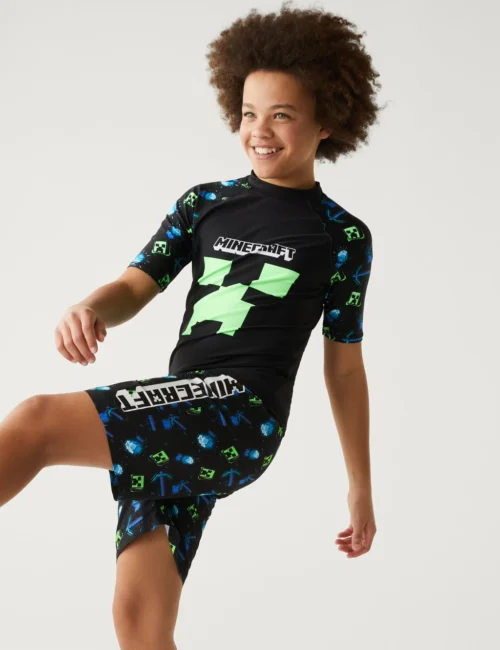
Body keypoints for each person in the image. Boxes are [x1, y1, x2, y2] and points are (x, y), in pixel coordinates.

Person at [0, 2, 383, 648]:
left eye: (282, 115)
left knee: (37, 421)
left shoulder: (341, 236)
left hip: (241, 414)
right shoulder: (205, 204)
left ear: (327, 122)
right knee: (139, 622)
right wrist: (90, 307)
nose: (260, 131)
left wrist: (360, 489)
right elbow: (133, 287)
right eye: (249, 113)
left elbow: (343, 368)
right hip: (178, 410)